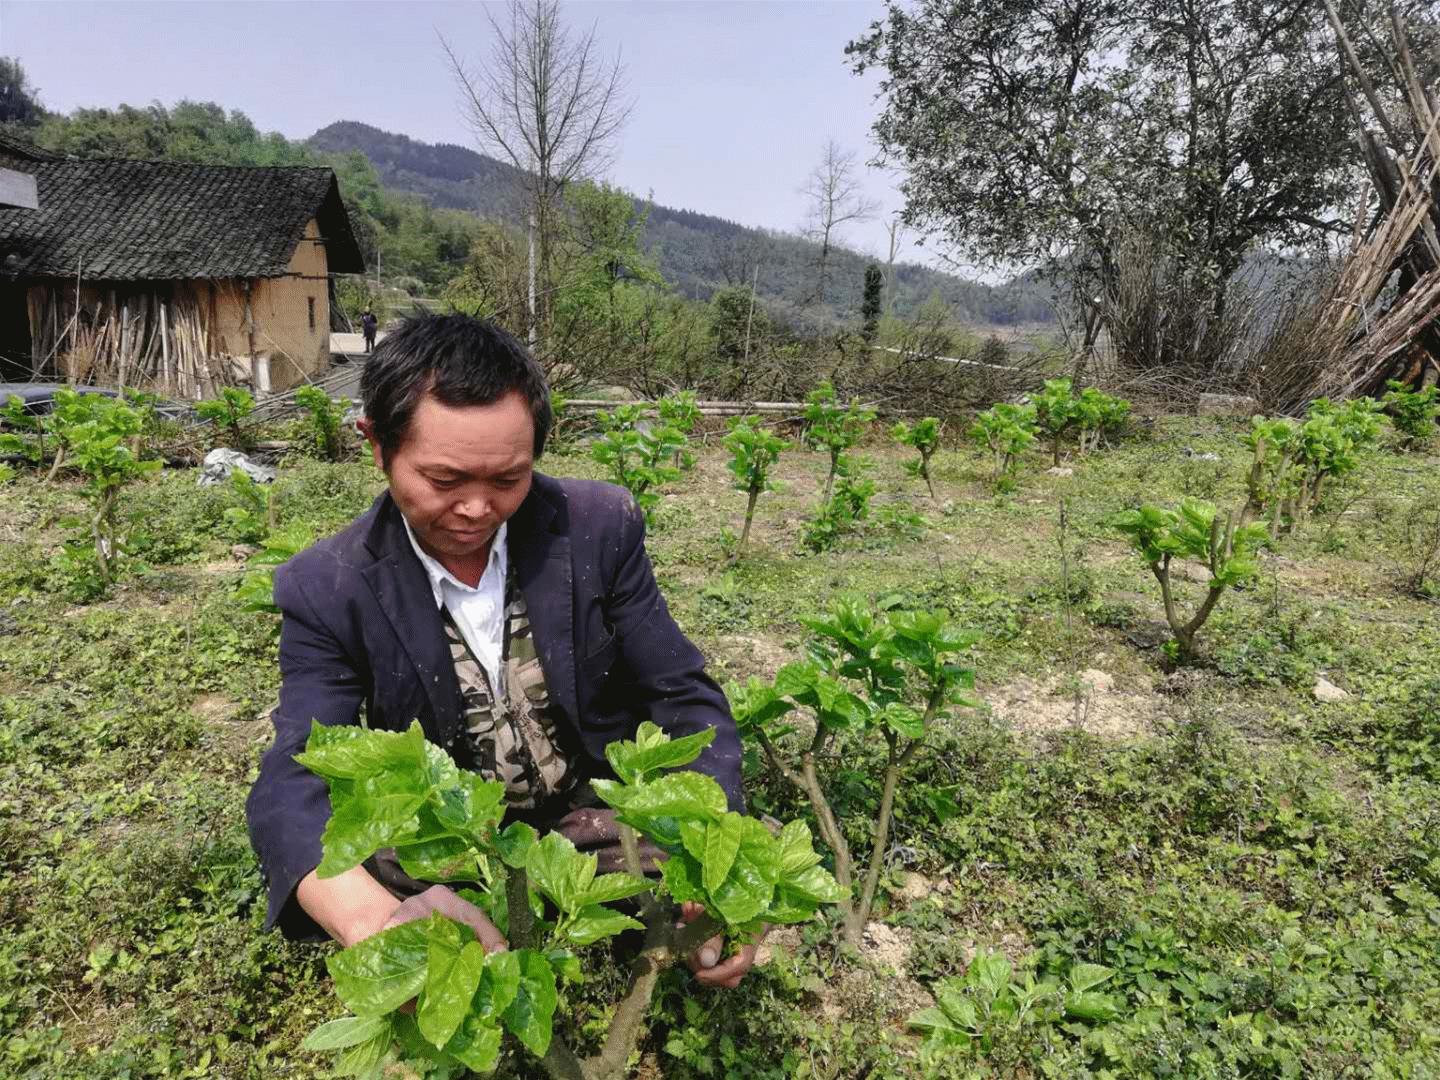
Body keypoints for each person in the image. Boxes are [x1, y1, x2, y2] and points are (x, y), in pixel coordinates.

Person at [245, 314, 758, 988]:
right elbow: (297, 768)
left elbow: (681, 692)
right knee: (356, 860)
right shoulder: (327, 585)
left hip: (593, 813)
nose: (476, 509)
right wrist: (370, 918)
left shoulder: (598, 528)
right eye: (444, 481)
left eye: (508, 479)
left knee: (710, 853)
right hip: (457, 836)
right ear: (377, 445)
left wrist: (714, 852)